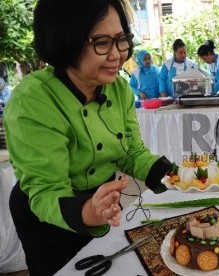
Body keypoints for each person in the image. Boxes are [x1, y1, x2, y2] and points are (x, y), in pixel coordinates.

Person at [3, 0, 172, 275]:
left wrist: (172, 174)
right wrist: (89, 211)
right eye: (102, 42)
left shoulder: (119, 88)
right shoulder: (33, 101)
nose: (117, 54)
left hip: (102, 203)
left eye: (121, 40)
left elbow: (130, 152)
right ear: (65, 39)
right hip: (52, 214)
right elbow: (47, 190)